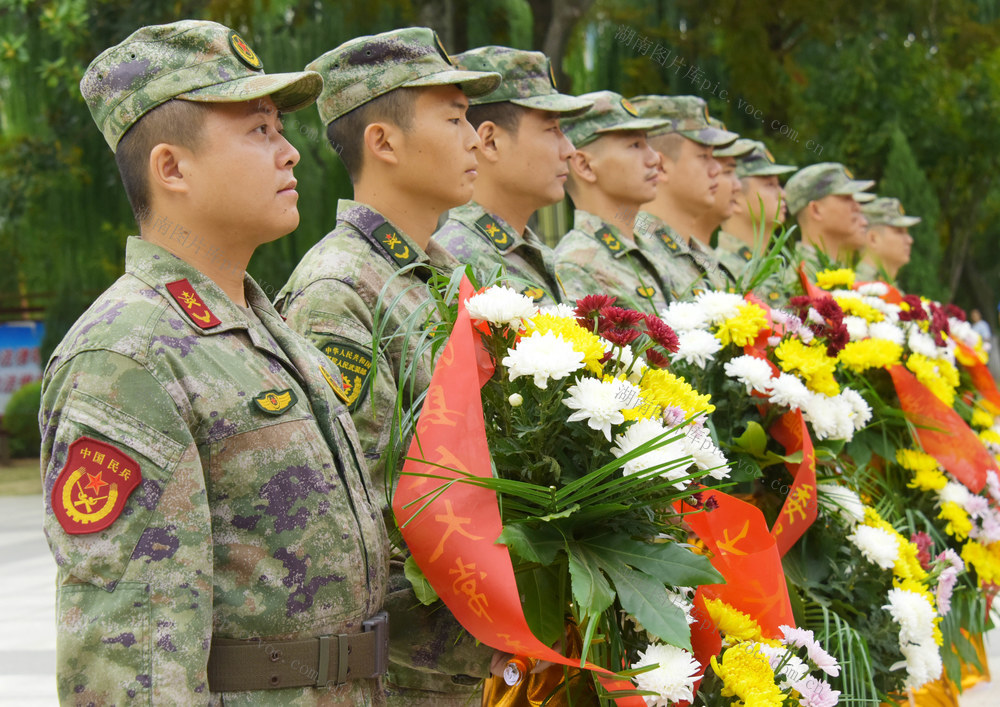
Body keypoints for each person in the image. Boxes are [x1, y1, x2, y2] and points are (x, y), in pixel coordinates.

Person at [41, 20, 390, 703]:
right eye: (259, 130)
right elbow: (132, 665)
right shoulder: (128, 357)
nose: (290, 152)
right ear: (171, 168)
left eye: (280, 129)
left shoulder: (262, 329)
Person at [274, 28, 500, 705]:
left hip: (470, 660)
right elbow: (358, 515)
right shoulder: (340, 291)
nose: (475, 139)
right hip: (406, 676)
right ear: (384, 142)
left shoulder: (442, 276)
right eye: (454, 119)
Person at [432, 46, 591, 304]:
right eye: (551, 129)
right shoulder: (458, 262)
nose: (569, 150)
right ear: (491, 141)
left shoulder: (531, 252)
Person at [554, 91, 670, 311]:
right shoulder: (575, 266)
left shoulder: (649, 250)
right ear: (585, 166)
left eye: (647, 143)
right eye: (635, 145)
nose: (654, 158)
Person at [630, 95, 739, 296]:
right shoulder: (640, 257)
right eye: (704, 156)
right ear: (661, 167)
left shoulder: (701, 255)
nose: (716, 169)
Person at [716, 139, 796, 298]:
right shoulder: (720, 270)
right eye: (770, 185)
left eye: (778, 184)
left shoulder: (777, 270)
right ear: (735, 196)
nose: (783, 194)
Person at [784, 162, 874, 277]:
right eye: (846, 198)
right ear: (816, 210)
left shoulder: (827, 270)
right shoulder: (802, 278)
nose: (857, 207)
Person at [856, 197, 920, 283]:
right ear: (873, 239)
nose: (910, 240)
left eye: (906, 232)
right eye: (899, 231)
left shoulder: (885, 286)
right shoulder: (852, 286)